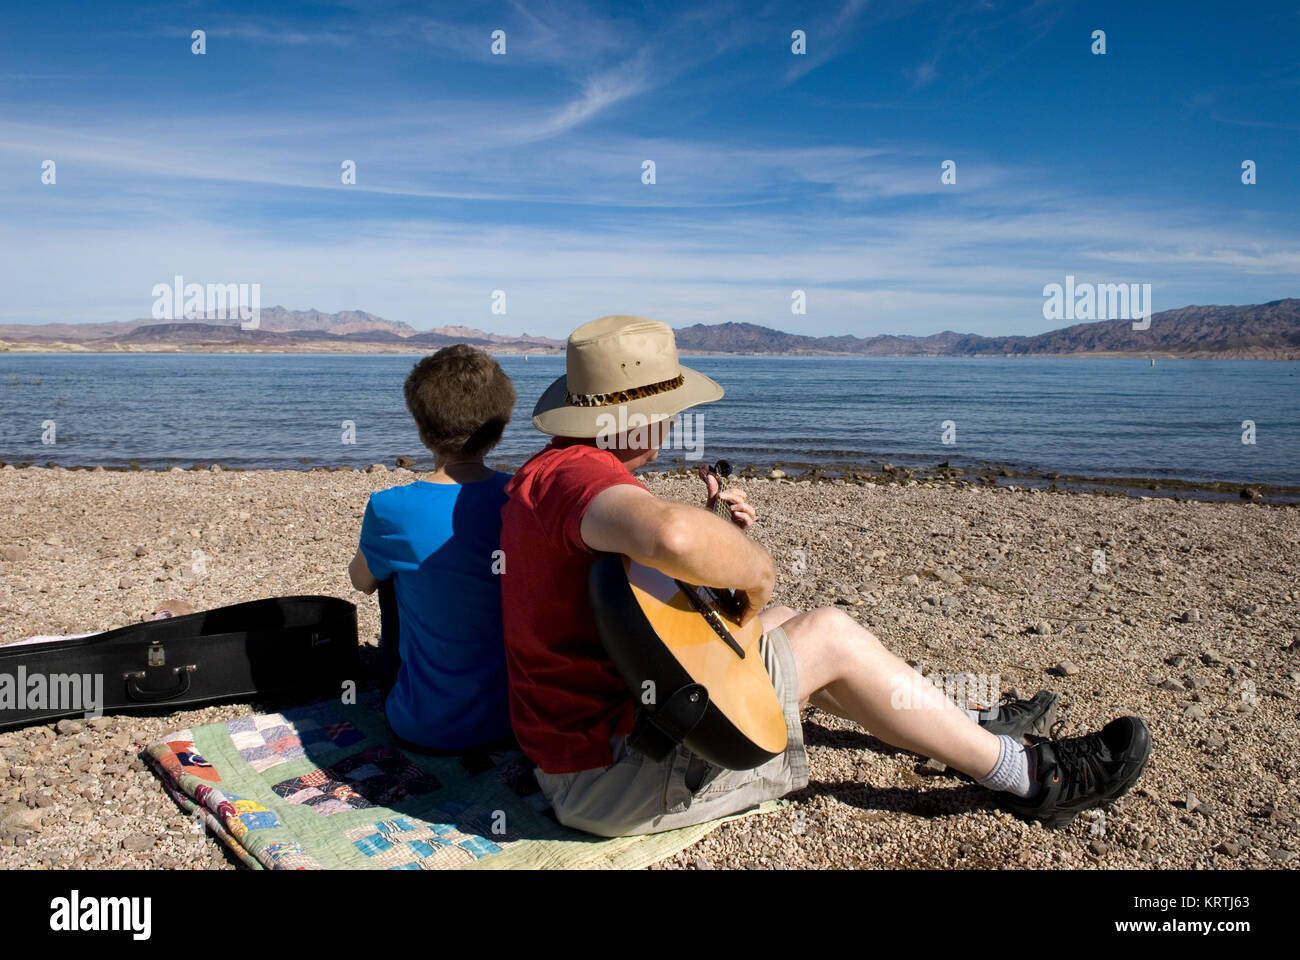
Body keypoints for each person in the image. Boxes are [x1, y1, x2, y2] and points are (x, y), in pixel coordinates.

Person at [500, 315, 1151, 837]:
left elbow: (658, 617)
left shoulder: (557, 474)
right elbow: (670, 537)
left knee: (782, 626)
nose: (674, 420)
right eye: (669, 404)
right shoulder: (577, 478)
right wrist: (752, 568)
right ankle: (1035, 778)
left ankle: (960, 726)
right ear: (643, 414)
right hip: (615, 778)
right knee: (829, 635)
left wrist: (715, 538)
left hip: (596, 751)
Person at [348, 344, 517, 752]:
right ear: (499, 427)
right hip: (515, 723)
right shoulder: (520, 498)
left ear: (422, 429)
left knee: (389, 576)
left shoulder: (391, 508)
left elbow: (360, 582)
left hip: (424, 729)